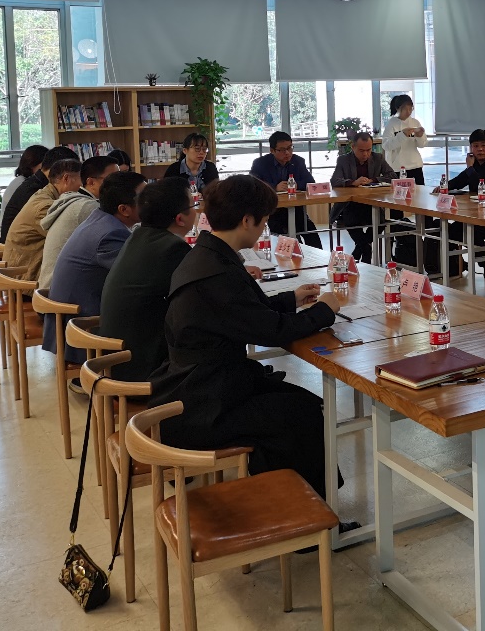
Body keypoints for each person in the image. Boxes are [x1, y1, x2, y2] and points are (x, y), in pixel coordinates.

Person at [146, 175, 344, 499]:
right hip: (203, 405)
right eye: (264, 221)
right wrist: (324, 310)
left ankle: (296, 500)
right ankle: (307, 509)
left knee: (300, 403)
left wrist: (292, 299)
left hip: (195, 385)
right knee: (299, 413)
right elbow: (273, 331)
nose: (264, 227)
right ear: (247, 220)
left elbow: (248, 311)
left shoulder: (206, 255)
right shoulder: (219, 272)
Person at [100, 177, 196, 382]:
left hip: (118, 361)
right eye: (193, 205)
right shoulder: (172, 249)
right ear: (180, 219)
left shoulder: (139, 237)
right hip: (143, 371)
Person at [45, 171, 147, 364]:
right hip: (83, 329)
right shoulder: (110, 235)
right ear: (124, 209)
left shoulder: (101, 218)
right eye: (145, 198)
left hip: (71, 320)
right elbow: (139, 278)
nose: (151, 202)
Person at [38, 155, 118, 290]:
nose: (121, 185)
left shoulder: (74, 200)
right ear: (91, 182)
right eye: (113, 180)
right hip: (61, 293)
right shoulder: (87, 207)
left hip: (52, 289)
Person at [3, 158, 82, 282]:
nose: (82, 185)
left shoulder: (44, 194)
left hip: (23, 270)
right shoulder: (45, 206)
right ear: (66, 178)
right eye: (81, 179)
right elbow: (66, 241)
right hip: (24, 279)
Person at [329, 131, 396, 263]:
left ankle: (359, 250)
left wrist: (373, 180)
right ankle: (366, 250)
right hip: (350, 205)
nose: (365, 154)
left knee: (380, 222)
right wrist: (353, 182)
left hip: (371, 204)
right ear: (353, 147)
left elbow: (392, 176)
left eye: (368, 150)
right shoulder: (343, 160)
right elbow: (335, 181)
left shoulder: (378, 158)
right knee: (351, 221)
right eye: (361, 150)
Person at [250, 130, 322, 248]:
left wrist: (296, 185)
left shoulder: (298, 161)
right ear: (272, 150)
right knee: (281, 234)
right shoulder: (260, 163)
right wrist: (274, 187)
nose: (287, 153)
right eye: (282, 150)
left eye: (290, 148)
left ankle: (318, 257)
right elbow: (253, 185)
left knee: (311, 232)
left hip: (296, 209)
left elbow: (310, 182)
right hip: (272, 212)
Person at [0, 146, 78, 239]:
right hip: (20, 244)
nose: (80, 183)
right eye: (77, 177)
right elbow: (59, 233)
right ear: (65, 176)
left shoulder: (36, 183)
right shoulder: (36, 192)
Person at [439, 129, 485, 195]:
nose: (480, 149)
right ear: (471, 148)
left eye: (483, 145)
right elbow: (460, 180)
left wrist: (470, 168)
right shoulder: (475, 162)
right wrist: (445, 186)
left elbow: (482, 188)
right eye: (476, 146)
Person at [381, 94, 427, 184]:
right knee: (399, 191)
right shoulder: (392, 123)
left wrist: (420, 136)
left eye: (410, 109)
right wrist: (402, 135)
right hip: (398, 167)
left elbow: (422, 145)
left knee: (418, 191)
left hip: (415, 165)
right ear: (397, 108)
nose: (408, 112)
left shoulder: (415, 122)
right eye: (405, 109)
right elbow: (386, 145)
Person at [0, 145, 48, 226]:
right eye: (44, 165)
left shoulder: (23, 181)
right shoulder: (23, 184)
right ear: (32, 164)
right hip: (11, 231)